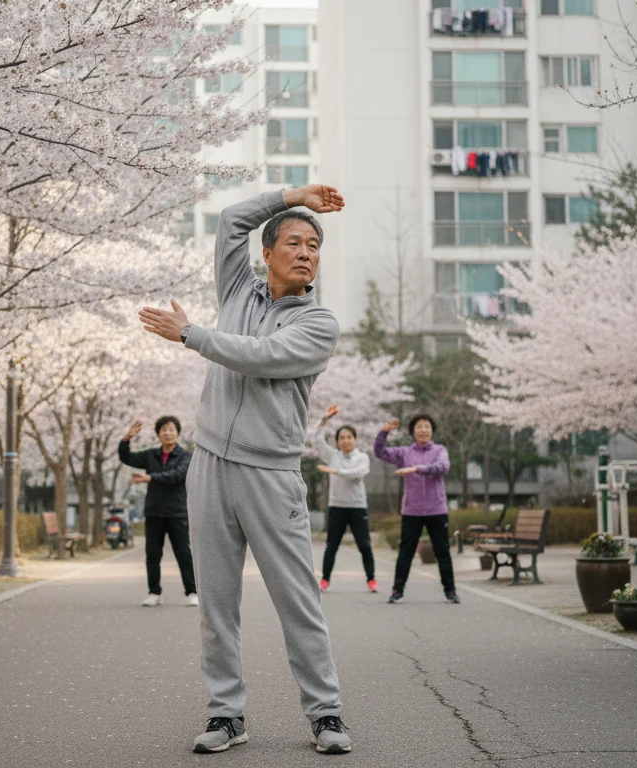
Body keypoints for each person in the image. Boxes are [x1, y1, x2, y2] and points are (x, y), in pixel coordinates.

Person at [138, 185, 353, 755]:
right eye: (293, 241)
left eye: (313, 245)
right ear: (269, 251)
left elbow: (260, 358)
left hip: (271, 474)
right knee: (216, 600)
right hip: (207, 465)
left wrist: (190, 334)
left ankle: (326, 713)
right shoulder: (237, 289)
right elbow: (233, 218)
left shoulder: (319, 324)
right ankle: (226, 714)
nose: (305, 252)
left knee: (296, 598)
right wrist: (293, 195)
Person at [373, 415, 458, 605]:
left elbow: (443, 467)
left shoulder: (439, 450)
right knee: (406, 551)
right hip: (412, 510)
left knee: (442, 550)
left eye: (427, 426)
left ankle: (450, 590)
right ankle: (397, 590)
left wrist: (416, 469)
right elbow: (380, 452)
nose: (423, 430)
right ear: (413, 431)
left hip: (437, 509)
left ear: (432, 430)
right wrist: (384, 432)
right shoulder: (404, 453)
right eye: (419, 427)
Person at [119, 416, 197, 607]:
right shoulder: (151, 455)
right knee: (152, 554)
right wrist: (127, 439)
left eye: (171, 429)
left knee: (184, 555)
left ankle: (192, 591)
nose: (168, 433)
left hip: (178, 513)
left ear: (177, 433)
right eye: (164, 430)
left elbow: (177, 475)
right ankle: (154, 592)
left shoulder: (185, 456)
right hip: (154, 512)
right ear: (158, 434)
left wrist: (149, 478)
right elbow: (126, 457)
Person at [309, 404, 376, 593]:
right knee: (332, 546)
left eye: (349, 437)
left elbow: (358, 473)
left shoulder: (362, 457)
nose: (345, 441)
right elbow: (317, 441)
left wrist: (336, 471)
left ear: (355, 440)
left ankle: (371, 580)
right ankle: (325, 580)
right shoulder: (333, 456)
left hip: (357, 507)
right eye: (341, 438)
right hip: (337, 506)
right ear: (337, 441)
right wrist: (324, 419)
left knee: (364, 545)